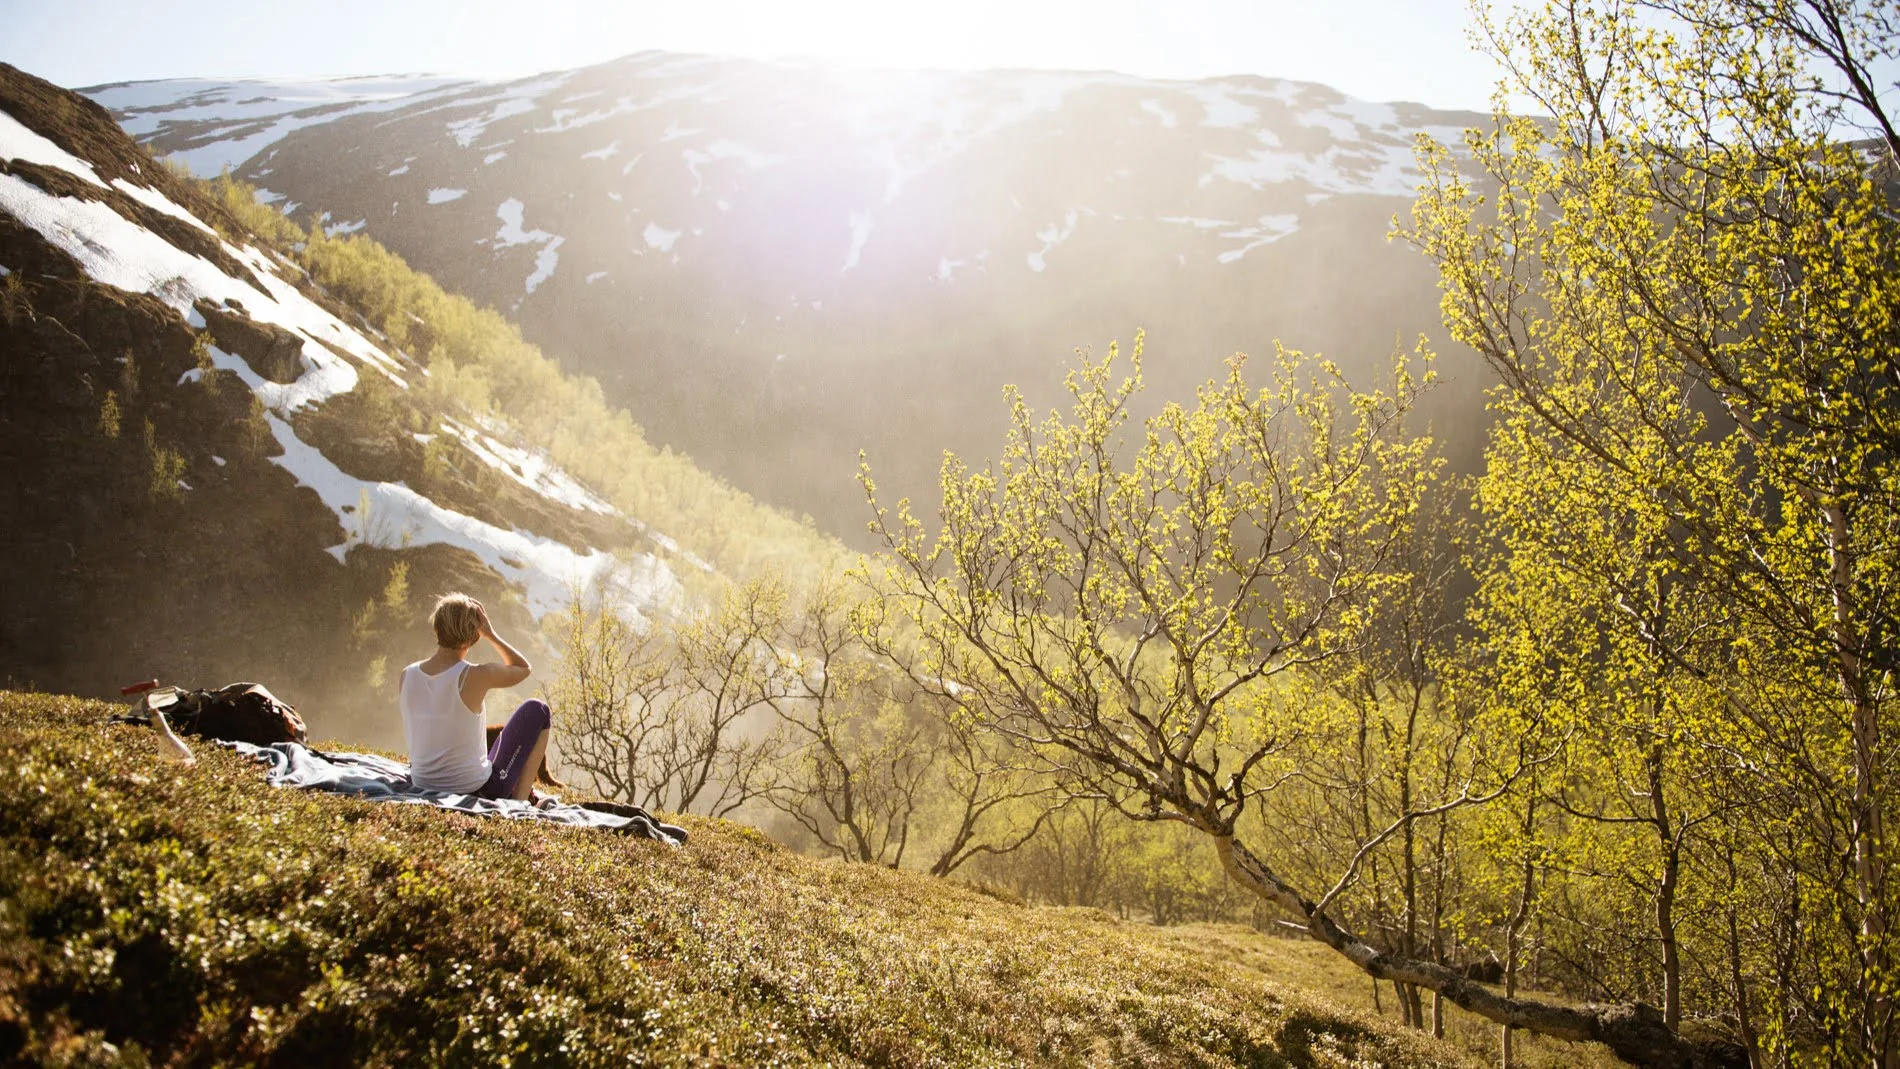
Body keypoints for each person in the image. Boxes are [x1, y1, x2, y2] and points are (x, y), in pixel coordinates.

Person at [399, 592, 550, 801]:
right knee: (538, 710)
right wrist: (491, 634)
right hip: (476, 789)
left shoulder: (407, 675)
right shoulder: (475, 676)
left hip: (421, 782)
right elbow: (523, 668)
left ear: (436, 629)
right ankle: (520, 803)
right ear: (475, 636)